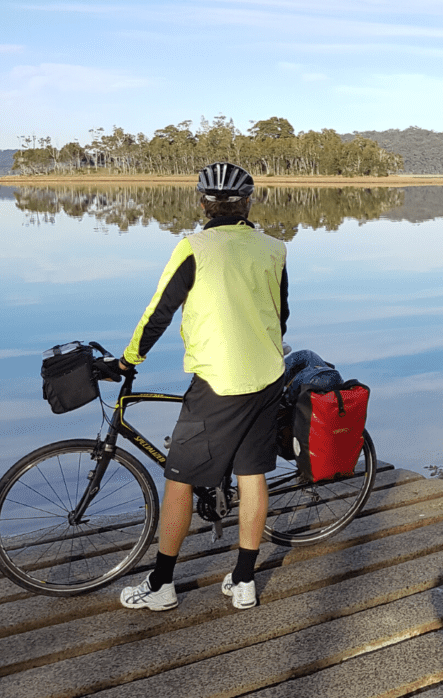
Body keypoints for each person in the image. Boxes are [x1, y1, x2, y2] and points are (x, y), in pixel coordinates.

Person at [117, 162, 289, 611]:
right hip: (268, 375)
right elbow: (280, 313)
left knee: (179, 479)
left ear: (202, 204)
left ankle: (161, 586)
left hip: (217, 379)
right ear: (248, 202)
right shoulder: (275, 248)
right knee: (252, 475)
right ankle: (245, 582)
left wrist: (128, 359)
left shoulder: (193, 247)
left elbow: (159, 312)